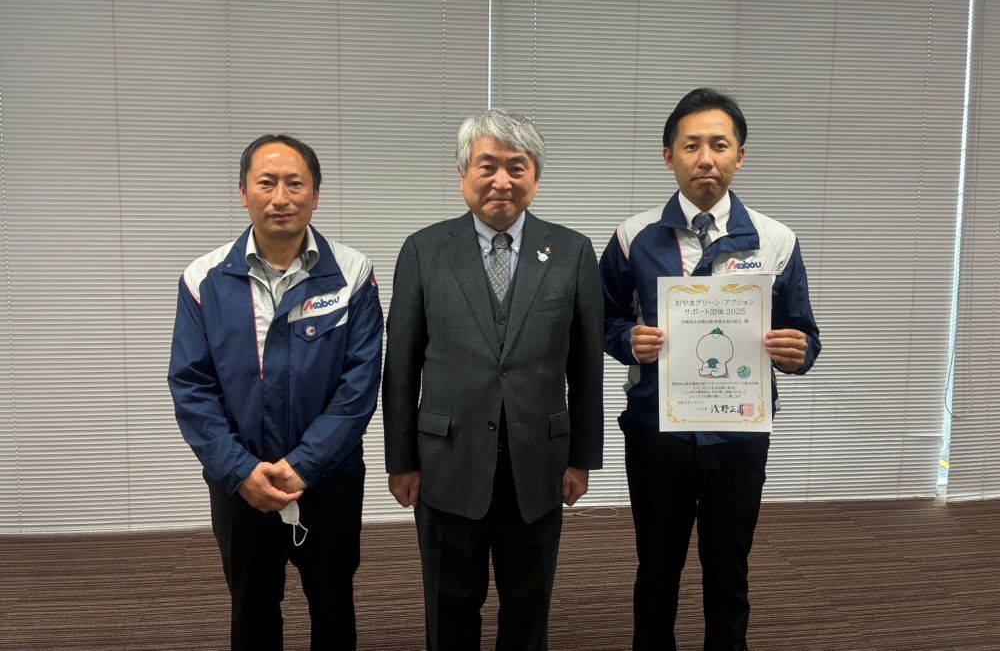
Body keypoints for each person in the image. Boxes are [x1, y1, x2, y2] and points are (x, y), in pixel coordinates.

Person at [600, 88, 821, 651]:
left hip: (739, 431)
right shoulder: (632, 237)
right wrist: (629, 340)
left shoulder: (776, 239)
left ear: (739, 156)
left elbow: (804, 334)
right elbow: (604, 320)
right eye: (691, 145)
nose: (706, 158)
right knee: (656, 569)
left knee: (729, 572)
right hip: (657, 432)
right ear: (668, 156)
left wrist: (798, 352)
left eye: (719, 145)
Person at [382, 108, 604, 651]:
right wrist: (401, 460)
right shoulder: (423, 250)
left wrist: (581, 458)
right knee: (450, 604)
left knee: (528, 605)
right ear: (464, 174)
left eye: (516, 167)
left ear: (535, 178)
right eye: (487, 166)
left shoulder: (572, 252)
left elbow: (586, 367)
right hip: (446, 463)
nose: (501, 180)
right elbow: (401, 366)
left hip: (539, 464)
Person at [168, 134, 383, 651]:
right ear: (244, 193)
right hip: (241, 482)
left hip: (328, 479)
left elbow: (359, 385)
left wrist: (305, 464)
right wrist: (240, 470)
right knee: (252, 607)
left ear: (316, 195)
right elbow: (192, 387)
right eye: (266, 183)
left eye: (295, 184)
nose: (281, 197)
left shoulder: (352, 274)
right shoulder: (203, 279)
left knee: (333, 604)